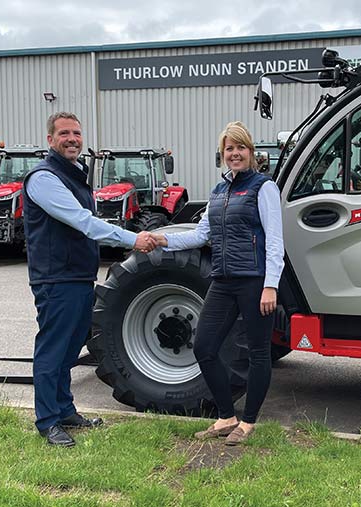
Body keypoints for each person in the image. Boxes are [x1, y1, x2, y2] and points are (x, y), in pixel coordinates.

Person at [23, 112, 157, 447]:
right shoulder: (44, 178)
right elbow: (82, 221)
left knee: (70, 349)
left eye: (77, 133)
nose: (72, 139)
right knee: (53, 350)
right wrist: (132, 239)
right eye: (64, 133)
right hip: (56, 278)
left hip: (78, 275)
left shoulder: (73, 173)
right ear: (50, 139)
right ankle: (47, 421)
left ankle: (65, 410)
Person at [152, 121, 284, 446]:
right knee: (204, 347)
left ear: (250, 152)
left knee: (257, 353)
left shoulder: (263, 187)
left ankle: (249, 422)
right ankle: (226, 416)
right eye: (229, 149)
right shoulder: (219, 191)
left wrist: (271, 285)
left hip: (254, 282)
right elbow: (200, 235)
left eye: (240, 147)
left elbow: (276, 241)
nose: (235, 153)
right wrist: (161, 240)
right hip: (223, 280)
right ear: (223, 154)